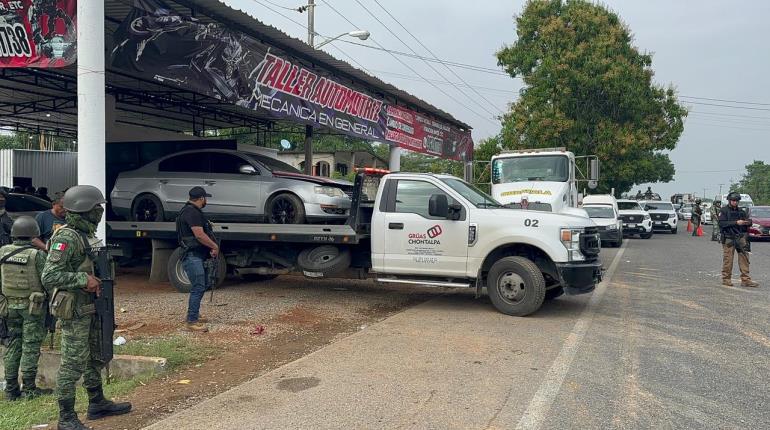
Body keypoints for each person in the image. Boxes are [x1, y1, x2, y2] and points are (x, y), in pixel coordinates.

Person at [41, 185, 132, 430]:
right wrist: (83, 280)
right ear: (84, 210)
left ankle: (97, 402)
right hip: (76, 311)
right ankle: (66, 417)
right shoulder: (67, 237)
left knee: (95, 356)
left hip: (93, 308)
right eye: (97, 207)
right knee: (72, 363)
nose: (101, 211)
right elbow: (49, 276)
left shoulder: (88, 234)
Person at [1, 216, 52, 401]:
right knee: (30, 347)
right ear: (33, 235)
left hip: (9, 307)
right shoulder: (37, 255)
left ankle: (11, 389)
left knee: (13, 345)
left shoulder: (3, 252)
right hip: (33, 308)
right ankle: (29, 388)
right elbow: (48, 280)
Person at [175, 186, 218, 333]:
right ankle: (191, 321)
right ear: (201, 199)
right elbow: (199, 235)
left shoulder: (189, 211)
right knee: (198, 287)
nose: (206, 201)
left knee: (201, 285)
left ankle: (194, 314)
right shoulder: (192, 212)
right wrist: (214, 246)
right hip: (192, 255)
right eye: (205, 198)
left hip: (196, 255)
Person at [718, 192, 758, 288]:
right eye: (733, 200)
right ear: (729, 200)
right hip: (728, 238)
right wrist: (736, 222)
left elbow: (749, 222)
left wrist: (746, 222)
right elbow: (722, 224)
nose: (735, 202)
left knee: (744, 258)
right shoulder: (723, 211)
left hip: (740, 237)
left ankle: (746, 280)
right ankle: (726, 279)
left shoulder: (741, 211)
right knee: (728, 259)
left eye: (736, 201)